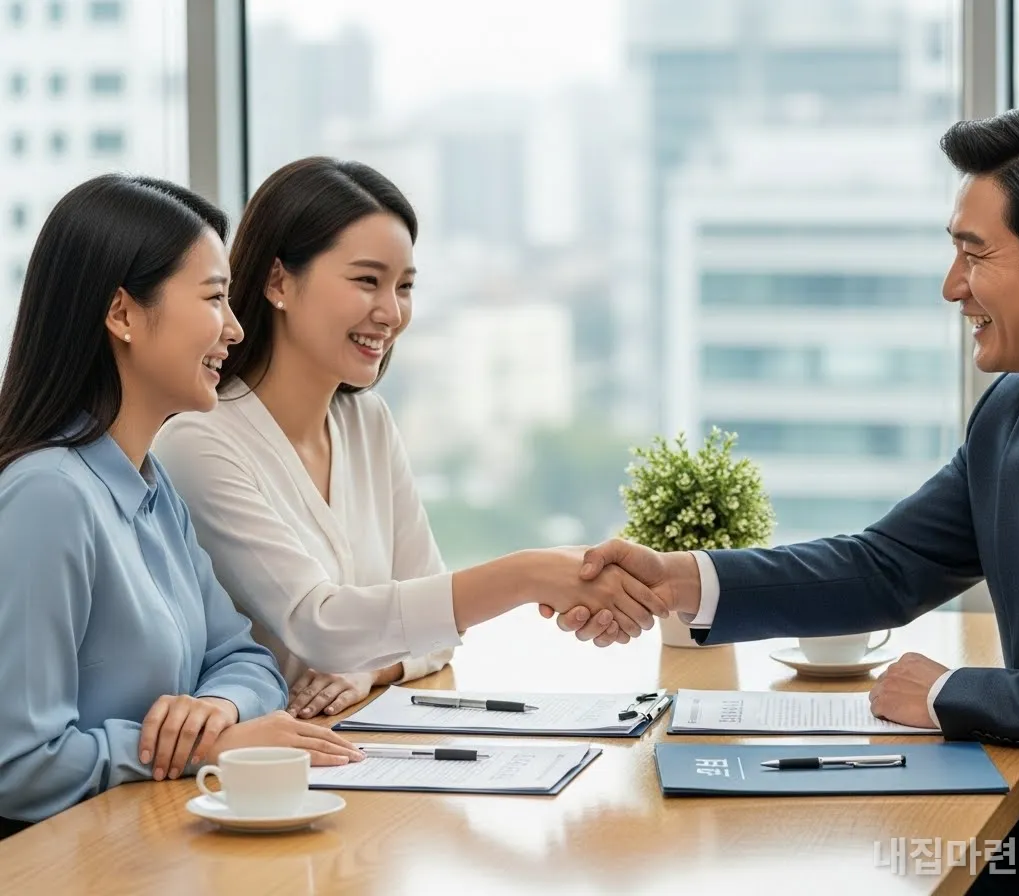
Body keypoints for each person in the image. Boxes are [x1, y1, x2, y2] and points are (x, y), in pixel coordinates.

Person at [557, 107, 1019, 895]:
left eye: (973, 254)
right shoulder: (1011, 414)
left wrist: (944, 693)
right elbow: (889, 564)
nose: (950, 286)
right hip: (1015, 846)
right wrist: (684, 580)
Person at [152, 157, 665, 719]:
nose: (391, 312)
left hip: (359, 743)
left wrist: (374, 668)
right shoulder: (199, 440)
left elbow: (439, 632)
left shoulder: (367, 422)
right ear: (279, 280)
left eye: (405, 287)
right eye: (367, 281)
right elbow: (319, 624)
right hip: (258, 769)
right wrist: (528, 574)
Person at [0, 175, 366, 837]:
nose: (234, 328)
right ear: (122, 314)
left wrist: (219, 708)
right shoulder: (48, 496)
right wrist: (195, 749)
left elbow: (245, 659)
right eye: (214, 298)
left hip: (150, 844)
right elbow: (20, 765)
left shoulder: (150, 484)